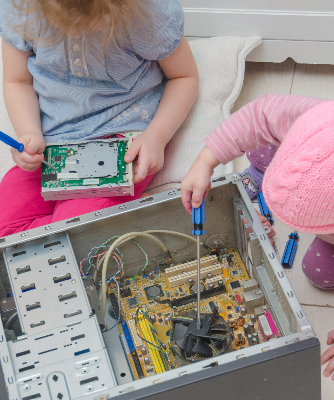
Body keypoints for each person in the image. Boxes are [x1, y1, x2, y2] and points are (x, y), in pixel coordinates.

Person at [181, 75, 334, 381]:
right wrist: (205, 161)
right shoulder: (317, 118)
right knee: (262, 145)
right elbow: (258, 115)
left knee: (319, 271)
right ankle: (262, 172)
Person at [0, 0, 199, 237]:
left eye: (88, 23)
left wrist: (156, 136)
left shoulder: (149, 11)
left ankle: (118, 219)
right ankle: (123, 218)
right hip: (49, 145)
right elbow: (18, 81)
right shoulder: (20, 7)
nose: (74, 32)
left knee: (75, 235)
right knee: (7, 229)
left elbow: (183, 77)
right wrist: (29, 131)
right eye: (62, 23)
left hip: (122, 140)